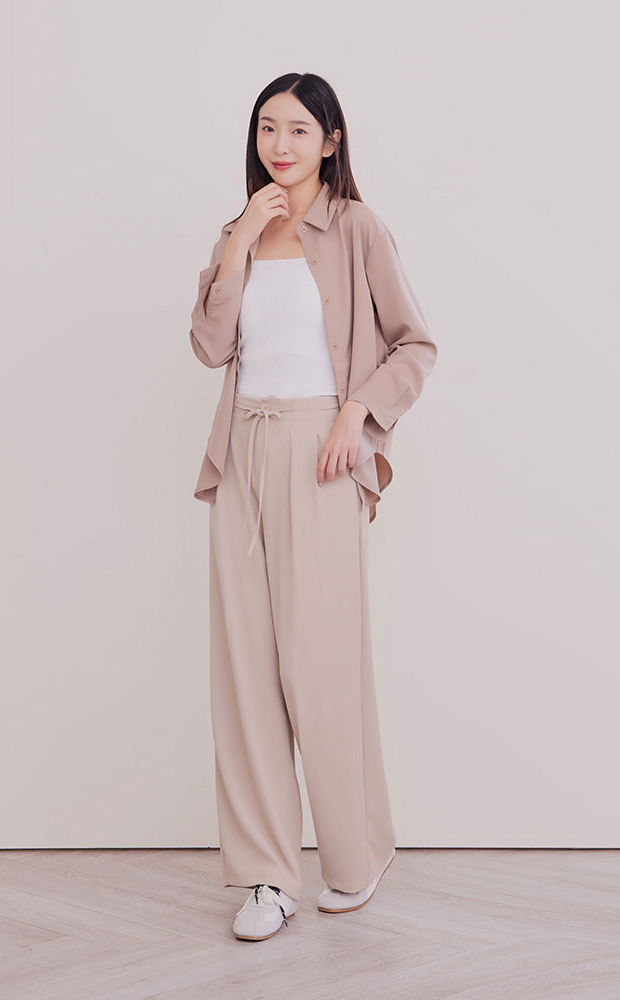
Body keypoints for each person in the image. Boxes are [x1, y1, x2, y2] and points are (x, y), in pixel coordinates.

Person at [189, 72, 438, 942]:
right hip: (240, 454)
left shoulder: (358, 228)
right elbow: (209, 346)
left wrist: (356, 412)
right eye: (268, 128)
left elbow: (415, 344)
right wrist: (236, 248)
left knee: (319, 662)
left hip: (323, 456)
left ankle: (354, 854)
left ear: (331, 141)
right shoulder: (238, 232)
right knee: (245, 670)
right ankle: (266, 877)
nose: (280, 145)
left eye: (299, 129)